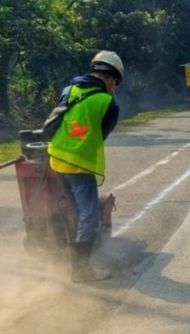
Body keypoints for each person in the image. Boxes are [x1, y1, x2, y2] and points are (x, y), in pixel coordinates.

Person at [47, 50, 124, 283]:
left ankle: (76, 260)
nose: (114, 87)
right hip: (79, 166)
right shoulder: (109, 103)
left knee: (79, 213)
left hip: (56, 159)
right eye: (115, 83)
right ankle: (81, 271)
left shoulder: (70, 90)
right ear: (111, 79)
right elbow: (101, 134)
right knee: (89, 218)